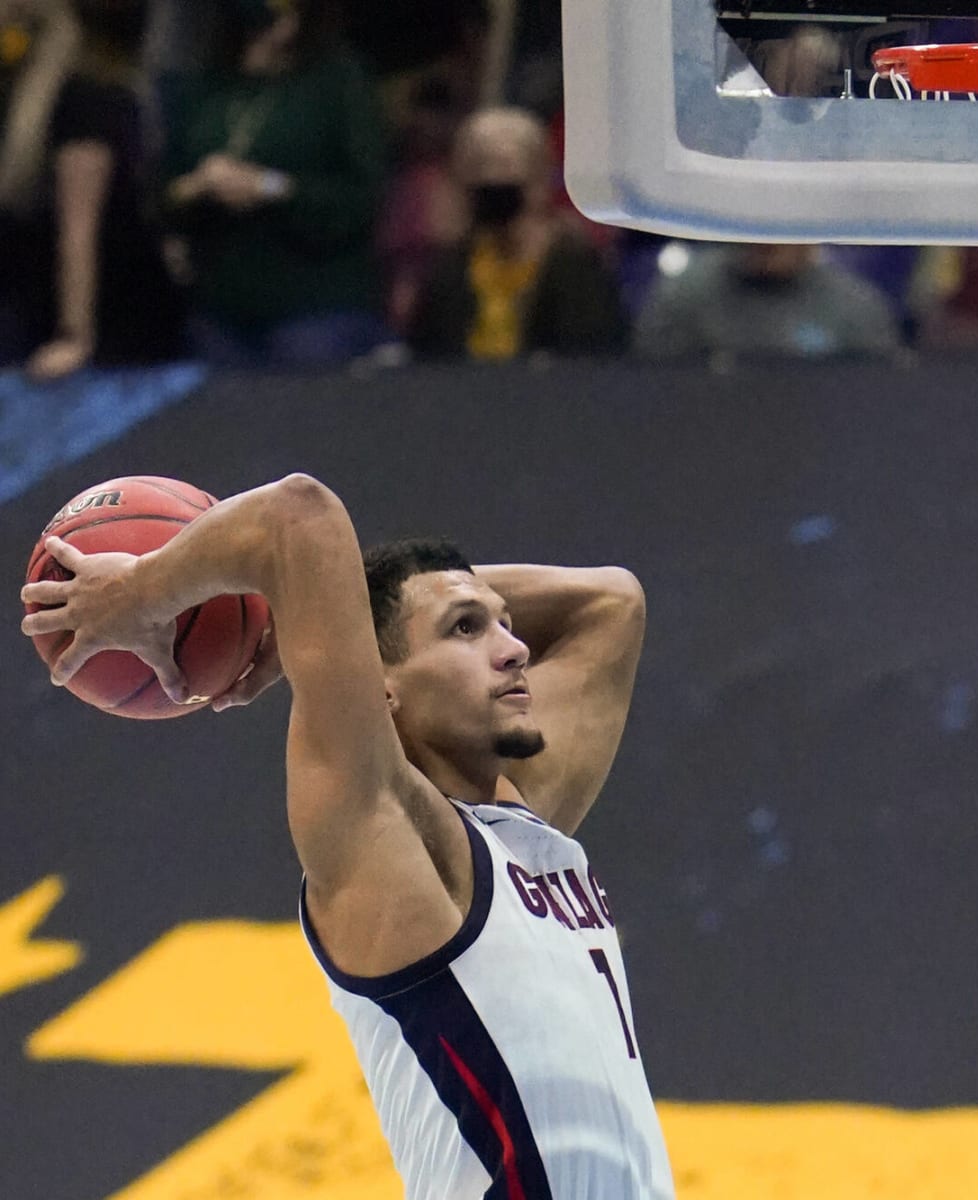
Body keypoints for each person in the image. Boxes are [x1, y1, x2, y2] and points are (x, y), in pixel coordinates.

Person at [19, 474, 675, 1200]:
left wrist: (327, 616)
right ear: (380, 683)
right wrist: (144, 591)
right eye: (466, 628)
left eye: (506, 623)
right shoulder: (392, 842)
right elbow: (295, 516)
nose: (515, 647)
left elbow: (612, 603)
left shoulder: (523, 827)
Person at [161, 0, 390, 367]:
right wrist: (199, 185)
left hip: (315, 302)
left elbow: (361, 198)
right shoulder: (206, 87)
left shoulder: (337, 80)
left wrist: (269, 187)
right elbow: (160, 191)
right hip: (220, 306)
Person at [1, 0, 183, 377]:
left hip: (106, 313)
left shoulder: (81, 97)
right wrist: (73, 336)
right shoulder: (76, 98)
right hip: (82, 311)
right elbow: (74, 228)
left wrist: (73, 336)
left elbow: (80, 228)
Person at [408, 106, 627, 360]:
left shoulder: (576, 267)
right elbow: (425, 357)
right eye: (480, 168)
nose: (492, 180)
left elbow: (593, 357)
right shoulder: (450, 270)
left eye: (505, 168)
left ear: (539, 179)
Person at [635, 241, 901, 363]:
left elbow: (877, 393)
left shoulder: (856, 306)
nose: (766, 244)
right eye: (757, 228)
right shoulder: (685, 294)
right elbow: (652, 382)